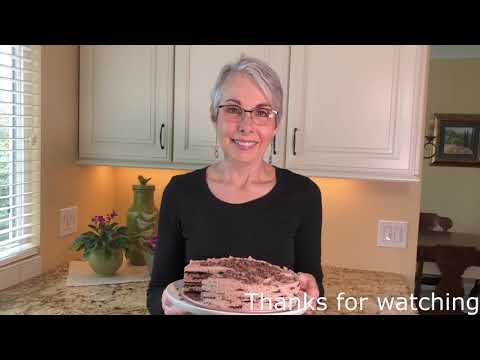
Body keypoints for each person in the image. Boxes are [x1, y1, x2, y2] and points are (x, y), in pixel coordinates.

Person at [147, 55, 324, 315]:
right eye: (232, 109)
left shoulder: (304, 195)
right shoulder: (180, 192)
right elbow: (158, 291)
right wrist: (166, 305)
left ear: (276, 125)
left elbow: (314, 289)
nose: (246, 125)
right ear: (213, 116)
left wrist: (312, 294)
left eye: (262, 112)